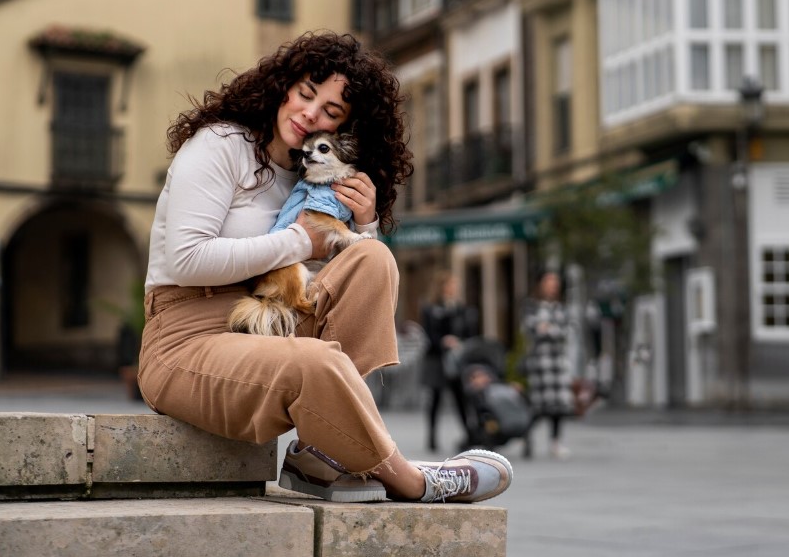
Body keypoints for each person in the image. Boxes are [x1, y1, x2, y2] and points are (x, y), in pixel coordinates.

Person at [139, 31, 512, 504]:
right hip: (185, 340)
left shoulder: (312, 174)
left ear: (344, 131)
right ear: (283, 86)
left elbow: (343, 281)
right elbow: (186, 260)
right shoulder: (222, 144)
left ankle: (320, 458)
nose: (311, 114)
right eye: (306, 94)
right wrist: (300, 239)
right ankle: (412, 480)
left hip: (268, 318)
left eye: (331, 112)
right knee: (315, 362)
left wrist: (364, 223)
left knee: (373, 257)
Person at [520, 270, 576, 459]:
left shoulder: (561, 307)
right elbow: (531, 329)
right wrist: (550, 330)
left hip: (558, 362)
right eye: (549, 281)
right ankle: (525, 435)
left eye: (555, 282)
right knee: (538, 406)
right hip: (540, 363)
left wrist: (548, 329)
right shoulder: (532, 306)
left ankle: (555, 442)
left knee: (559, 405)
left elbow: (566, 331)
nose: (553, 286)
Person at [419, 272, 477, 451]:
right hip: (437, 359)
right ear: (443, 286)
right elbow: (428, 334)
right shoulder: (430, 308)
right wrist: (443, 340)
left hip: (456, 359)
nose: (454, 288)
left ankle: (468, 433)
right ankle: (432, 436)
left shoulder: (460, 308)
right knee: (436, 398)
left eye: (456, 284)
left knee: (460, 397)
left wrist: (458, 341)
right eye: (451, 284)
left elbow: (468, 332)